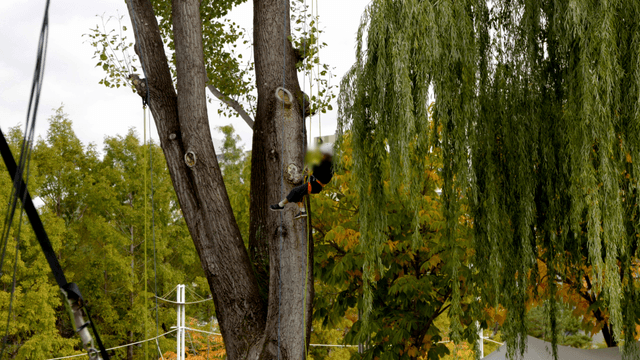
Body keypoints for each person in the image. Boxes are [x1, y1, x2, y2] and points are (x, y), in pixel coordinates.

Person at [270, 142, 334, 219]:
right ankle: (302, 211)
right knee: (299, 195)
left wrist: (312, 165)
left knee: (295, 191)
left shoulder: (327, 164)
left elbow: (318, 171)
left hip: (315, 185)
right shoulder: (328, 164)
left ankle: (280, 205)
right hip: (315, 184)